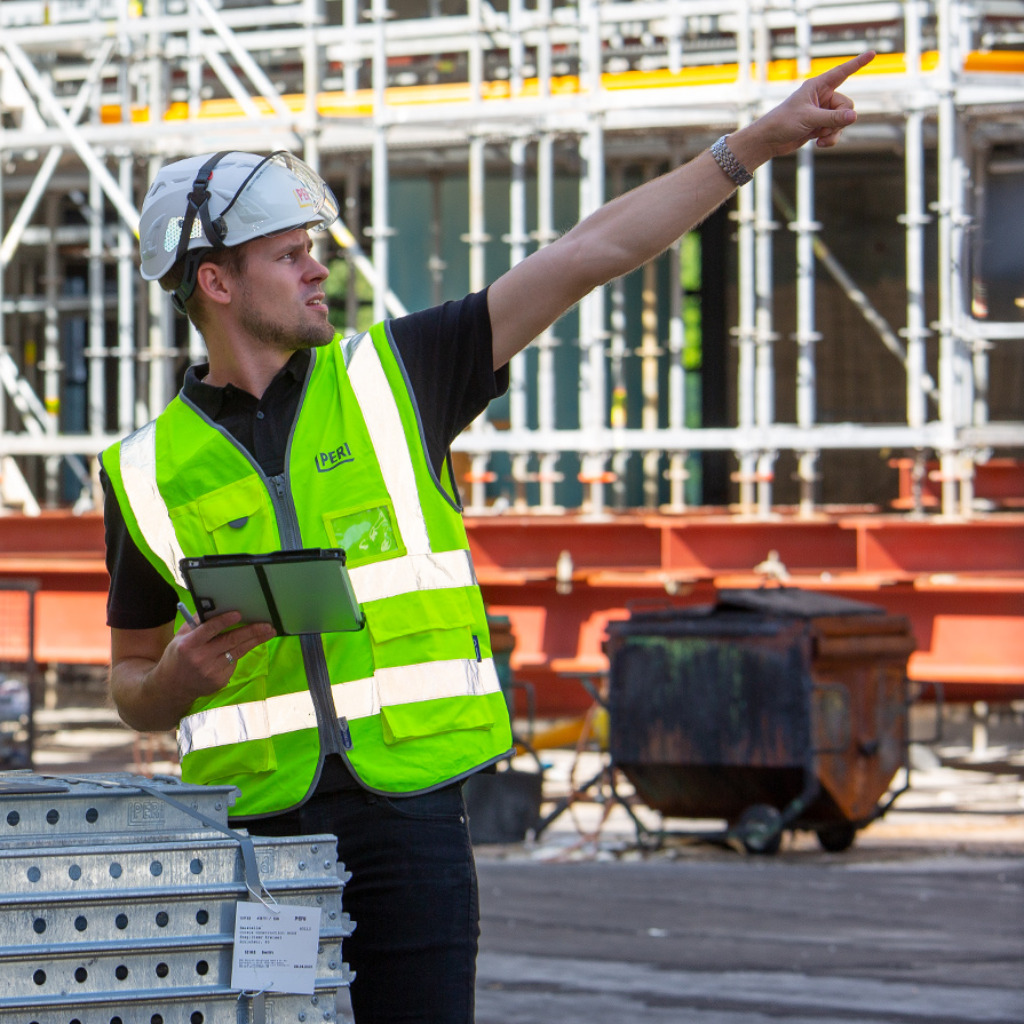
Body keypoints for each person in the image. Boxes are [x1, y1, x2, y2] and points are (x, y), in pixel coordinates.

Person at [101, 50, 875, 1023]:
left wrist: (751, 145)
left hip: (411, 820)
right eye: (291, 252)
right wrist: (170, 682)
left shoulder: (397, 375)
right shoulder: (142, 468)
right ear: (215, 279)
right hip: (258, 836)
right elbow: (128, 680)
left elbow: (586, 253)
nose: (319, 266)